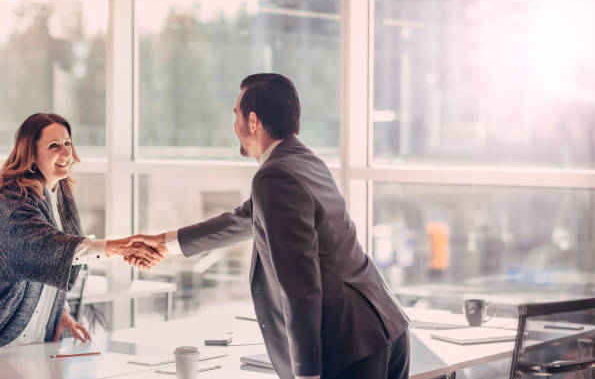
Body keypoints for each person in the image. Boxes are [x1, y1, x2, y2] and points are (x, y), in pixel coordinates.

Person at [130, 74, 410, 379]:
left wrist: (307, 373)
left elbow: (300, 284)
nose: (233, 125)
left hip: (350, 344)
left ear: (252, 120)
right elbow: (243, 219)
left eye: (235, 114)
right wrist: (165, 243)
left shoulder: (274, 177)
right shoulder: (303, 160)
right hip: (384, 326)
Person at [0, 113, 163, 348]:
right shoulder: (11, 199)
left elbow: (58, 263)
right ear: (31, 154)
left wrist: (60, 312)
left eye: (67, 143)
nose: (66, 153)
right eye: (54, 146)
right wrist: (116, 247)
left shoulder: (61, 194)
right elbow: (46, 248)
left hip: (35, 340)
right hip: (6, 339)